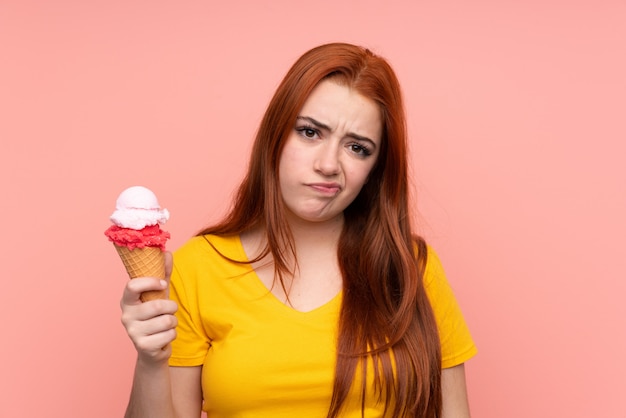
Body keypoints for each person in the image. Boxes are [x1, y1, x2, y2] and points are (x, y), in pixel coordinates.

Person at [120, 42, 477, 418]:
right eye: (310, 132)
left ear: (375, 170)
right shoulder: (196, 267)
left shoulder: (411, 269)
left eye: (357, 147)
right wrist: (151, 361)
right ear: (275, 134)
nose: (328, 164)